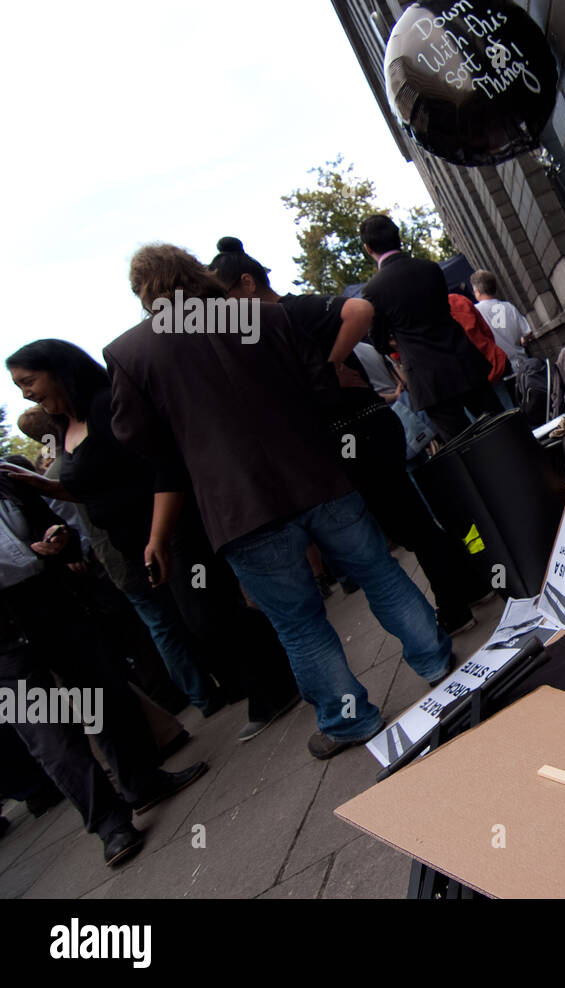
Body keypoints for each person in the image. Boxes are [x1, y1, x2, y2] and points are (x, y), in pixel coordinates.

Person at [105, 244, 456, 759]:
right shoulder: (263, 317)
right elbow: (318, 384)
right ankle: (436, 662)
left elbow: (138, 439)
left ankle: (349, 719)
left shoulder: (131, 352)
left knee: (298, 620)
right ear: (193, 271)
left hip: (239, 505)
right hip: (315, 474)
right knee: (380, 572)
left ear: (143, 291)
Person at [5, 341, 300, 740]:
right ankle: (273, 680)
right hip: (137, 543)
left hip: (174, 532)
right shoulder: (65, 425)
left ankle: (283, 676)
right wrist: (45, 486)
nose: (26, 393)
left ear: (58, 370)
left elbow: (164, 469)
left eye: (29, 381)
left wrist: (159, 536)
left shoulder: (104, 407)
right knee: (198, 619)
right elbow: (95, 488)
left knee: (208, 613)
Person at [209, 237, 484, 634]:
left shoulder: (292, 311)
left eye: (229, 295)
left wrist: (329, 364)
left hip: (362, 430)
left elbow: (360, 309)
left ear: (247, 284)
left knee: (409, 524)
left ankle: (456, 601)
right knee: (409, 521)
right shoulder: (271, 325)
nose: (229, 307)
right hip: (355, 432)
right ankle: (468, 585)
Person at [0, 465, 206, 866]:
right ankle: (110, 824)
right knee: (50, 736)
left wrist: (58, 539)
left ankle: (142, 783)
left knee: (103, 697)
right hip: (3, 645)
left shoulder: (7, 478)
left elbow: (54, 525)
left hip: (46, 604)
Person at [359, 215, 502, 442]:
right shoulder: (429, 268)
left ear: (368, 248)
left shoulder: (373, 290)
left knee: (466, 447)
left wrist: (396, 339)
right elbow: (443, 310)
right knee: (503, 426)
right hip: (463, 361)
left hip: (428, 379)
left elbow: (377, 341)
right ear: (398, 237)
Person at [449, 282, 512, 410]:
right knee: (509, 411)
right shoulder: (458, 300)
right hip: (491, 362)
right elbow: (486, 331)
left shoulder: (428, 316)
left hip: (467, 379)